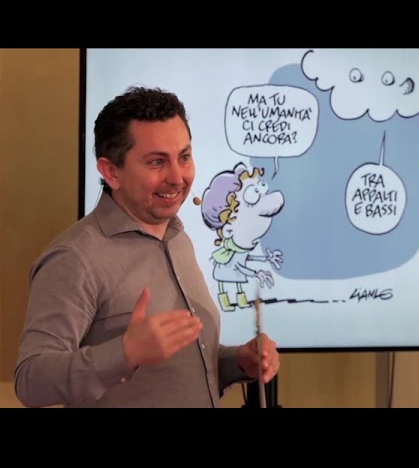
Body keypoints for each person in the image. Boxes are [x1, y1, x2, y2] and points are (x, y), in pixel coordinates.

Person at [14, 86, 280, 408]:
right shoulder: (75, 258)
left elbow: (174, 374)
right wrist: (124, 354)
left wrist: (236, 362)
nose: (177, 178)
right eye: (157, 162)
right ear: (111, 172)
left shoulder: (178, 237)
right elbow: (31, 381)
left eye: (184, 157)